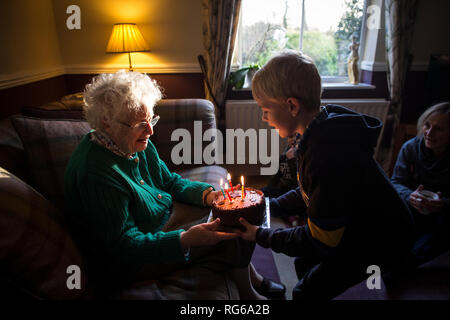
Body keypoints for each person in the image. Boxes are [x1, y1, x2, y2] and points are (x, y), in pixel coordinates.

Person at [64, 70, 283, 299]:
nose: (150, 130)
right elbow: (123, 249)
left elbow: (168, 181)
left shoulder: (133, 141)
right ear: (107, 124)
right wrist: (184, 239)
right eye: (141, 124)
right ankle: (249, 295)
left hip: (161, 220)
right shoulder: (95, 174)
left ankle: (251, 278)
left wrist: (209, 195)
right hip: (132, 258)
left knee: (230, 212)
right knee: (228, 229)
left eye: (151, 119)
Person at [238, 50, 415, 300]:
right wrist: (271, 205)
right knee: (303, 264)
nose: (263, 117)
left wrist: (260, 235)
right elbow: (309, 191)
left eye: (265, 109)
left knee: (304, 291)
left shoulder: (327, 155)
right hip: (359, 221)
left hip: (381, 240)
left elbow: (320, 240)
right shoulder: (318, 130)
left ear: (292, 106)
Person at [391, 102, 450, 266]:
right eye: (427, 125)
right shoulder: (410, 148)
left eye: (439, 129)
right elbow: (396, 182)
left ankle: (404, 263)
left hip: (443, 215)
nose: (429, 133)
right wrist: (410, 196)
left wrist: (442, 204)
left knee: (437, 235)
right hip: (413, 207)